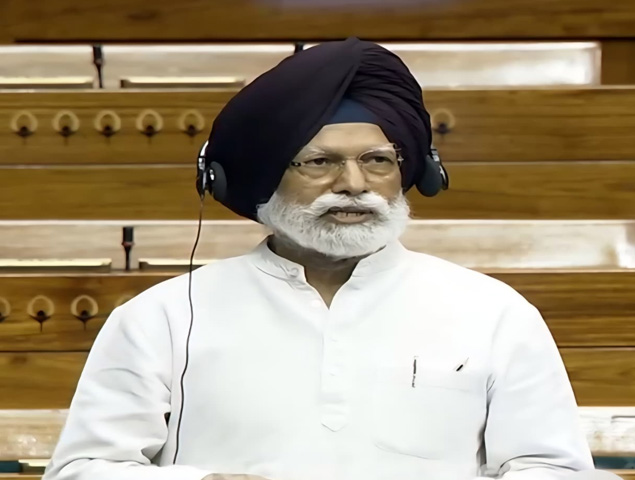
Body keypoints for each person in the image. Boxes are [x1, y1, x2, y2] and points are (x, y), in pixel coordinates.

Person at [43, 38, 594, 480]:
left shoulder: (492, 311)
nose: (354, 184)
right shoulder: (163, 316)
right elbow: (82, 469)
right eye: (319, 162)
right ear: (264, 176)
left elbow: (552, 466)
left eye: (377, 160)